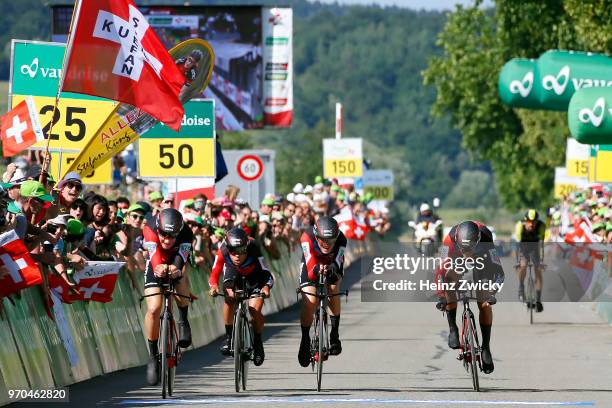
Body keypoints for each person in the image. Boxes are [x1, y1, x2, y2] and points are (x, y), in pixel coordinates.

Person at [435, 220, 504, 375]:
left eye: (470, 248)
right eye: (464, 248)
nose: (467, 252)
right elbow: (439, 272)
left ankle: (486, 347)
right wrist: (441, 297)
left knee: (485, 303)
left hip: (481, 262)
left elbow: (499, 272)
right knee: (448, 280)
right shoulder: (449, 240)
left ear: (477, 241)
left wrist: (492, 293)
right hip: (455, 262)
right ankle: (453, 328)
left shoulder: (486, 237)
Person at [143, 208, 194, 386]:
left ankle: (183, 319)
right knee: (154, 308)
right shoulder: (149, 229)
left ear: (179, 233)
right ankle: (152, 356)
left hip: (175, 260)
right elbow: (155, 257)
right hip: (156, 260)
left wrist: (175, 268)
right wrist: (159, 268)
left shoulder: (187, 233)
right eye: (163, 234)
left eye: (172, 236)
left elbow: (181, 257)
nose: (166, 239)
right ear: (158, 229)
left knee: (181, 279)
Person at [208, 228, 273, 367]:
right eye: (233, 251)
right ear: (228, 248)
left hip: (254, 276)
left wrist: (266, 287)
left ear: (247, 247)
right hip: (233, 274)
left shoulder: (254, 247)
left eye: (241, 251)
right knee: (229, 297)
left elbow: (266, 272)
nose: (237, 255)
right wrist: (213, 286)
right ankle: (229, 337)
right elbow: (214, 273)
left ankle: (258, 340)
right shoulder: (223, 249)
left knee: (254, 308)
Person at [297, 216, 347, 367]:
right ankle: (305, 338)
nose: (326, 244)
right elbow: (311, 265)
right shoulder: (306, 237)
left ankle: (334, 334)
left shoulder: (342, 239)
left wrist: (332, 268)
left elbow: (338, 261)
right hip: (311, 264)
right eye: (322, 239)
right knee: (310, 301)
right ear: (316, 235)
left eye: (330, 240)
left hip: (331, 264)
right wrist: (317, 269)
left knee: (333, 290)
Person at [515, 209, 546, 312]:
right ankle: (521, 287)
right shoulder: (520, 226)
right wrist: (517, 261)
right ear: (525, 221)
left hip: (535, 247)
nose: (531, 224)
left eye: (534, 222)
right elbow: (517, 245)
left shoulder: (541, 226)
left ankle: (538, 299)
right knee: (523, 265)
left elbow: (541, 245)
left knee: (538, 270)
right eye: (529, 221)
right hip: (523, 247)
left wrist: (541, 260)